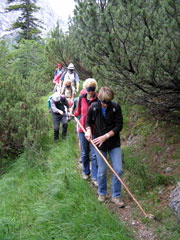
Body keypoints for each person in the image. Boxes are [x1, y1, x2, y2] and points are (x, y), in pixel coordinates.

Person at [85, 86, 124, 207]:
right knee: (102, 171)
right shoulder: (94, 107)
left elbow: (119, 126)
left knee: (118, 170)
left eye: (108, 102)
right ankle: (102, 193)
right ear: (99, 99)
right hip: (99, 145)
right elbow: (88, 121)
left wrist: (106, 136)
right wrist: (88, 130)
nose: (105, 105)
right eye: (103, 102)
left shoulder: (116, 107)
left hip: (113, 143)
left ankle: (116, 196)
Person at [73, 78, 98, 186]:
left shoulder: (98, 99)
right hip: (82, 129)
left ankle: (95, 176)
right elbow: (78, 112)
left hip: (94, 130)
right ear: (85, 89)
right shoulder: (81, 98)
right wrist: (74, 114)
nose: (91, 91)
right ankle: (86, 172)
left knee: (94, 155)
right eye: (89, 89)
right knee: (84, 153)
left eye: (92, 89)